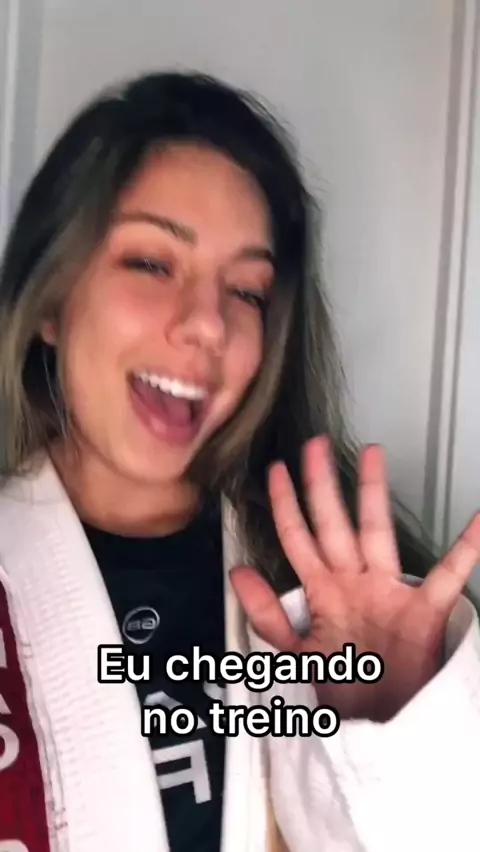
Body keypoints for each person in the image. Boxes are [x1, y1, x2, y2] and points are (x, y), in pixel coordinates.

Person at [0, 71, 479, 852]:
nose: (208, 325)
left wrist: (392, 723)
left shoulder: (335, 596)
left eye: (248, 293)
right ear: (51, 299)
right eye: (152, 263)